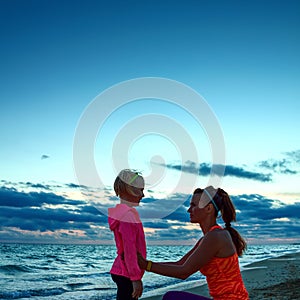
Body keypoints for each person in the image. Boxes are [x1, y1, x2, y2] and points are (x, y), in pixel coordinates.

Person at [138, 186, 249, 300]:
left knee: (171, 298)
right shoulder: (209, 237)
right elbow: (180, 264)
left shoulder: (216, 236)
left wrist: (147, 265)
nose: (189, 210)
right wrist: (146, 263)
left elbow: (183, 272)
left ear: (208, 209)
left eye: (193, 205)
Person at [108, 169, 146, 300]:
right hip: (126, 273)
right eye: (140, 190)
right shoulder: (127, 217)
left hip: (124, 270)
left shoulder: (125, 215)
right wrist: (135, 278)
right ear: (130, 190)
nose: (143, 195)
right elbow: (129, 250)